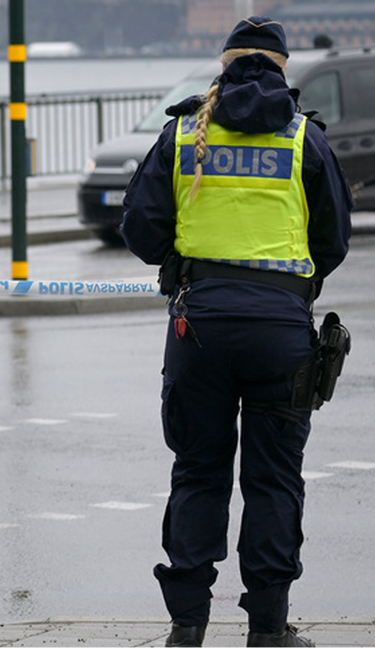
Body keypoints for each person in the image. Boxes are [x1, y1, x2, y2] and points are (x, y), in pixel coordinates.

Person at [121, 17, 352, 648]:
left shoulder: (182, 133)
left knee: (198, 472)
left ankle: (187, 627)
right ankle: (269, 632)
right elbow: (333, 242)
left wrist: (187, 265)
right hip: (281, 329)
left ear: (222, 67)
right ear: (282, 67)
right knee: (274, 480)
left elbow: (139, 230)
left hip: (199, 325)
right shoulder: (306, 138)